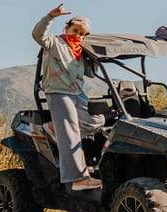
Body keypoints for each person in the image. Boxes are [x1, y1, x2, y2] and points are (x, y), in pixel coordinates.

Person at [32, 4, 104, 191]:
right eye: (75, 30)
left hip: (77, 92)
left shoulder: (81, 51)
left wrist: (93, 56)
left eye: (82, 33)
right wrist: (50, 16)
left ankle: (53, 128)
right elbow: (38, 35)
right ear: (67, 28)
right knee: (70, 135)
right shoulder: (56, 42)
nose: (78, 35)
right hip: (58, 91)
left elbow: (90, 73)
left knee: (96, 120)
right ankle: (78, 179)